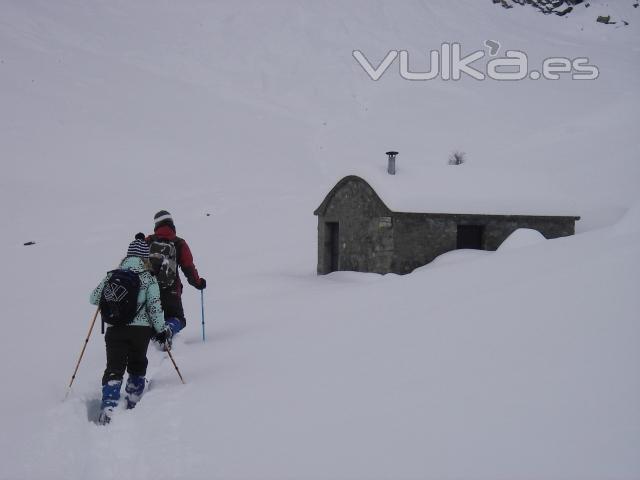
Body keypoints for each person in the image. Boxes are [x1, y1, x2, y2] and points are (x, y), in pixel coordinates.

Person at [90, 235, 172, 425]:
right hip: (140, 331)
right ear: (145, 258)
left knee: (114, 368)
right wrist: (161, 330)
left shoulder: (112, 275)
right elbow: (154, 307)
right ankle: (132, 403)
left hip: (115, 330)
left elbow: (93, 298)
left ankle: (108, 408)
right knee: (137, 365)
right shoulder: (149, 278)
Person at [146, 210, 206, 339]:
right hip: (171, 290)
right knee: (178, 318)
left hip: (149, 290)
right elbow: (188, 267)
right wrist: (198, 283)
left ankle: (151, 339)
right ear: (171, 223)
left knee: (150, 318)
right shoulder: (179, 243)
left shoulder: (148, 241)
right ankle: (168, 330)